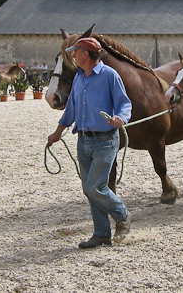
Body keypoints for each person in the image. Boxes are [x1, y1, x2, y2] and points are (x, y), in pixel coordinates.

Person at [47, 37, 132, 249]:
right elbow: (72, 109)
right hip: (83, 140)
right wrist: (57, 133)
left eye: (75, 52)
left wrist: (121, 117)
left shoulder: (110, 75)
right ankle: (102, 233)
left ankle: (122, 215)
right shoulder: (78, 78)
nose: (73, 55)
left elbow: (124, 104)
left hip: (105, 140)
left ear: (85, 54)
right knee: (89, 188)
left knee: (95, 187)